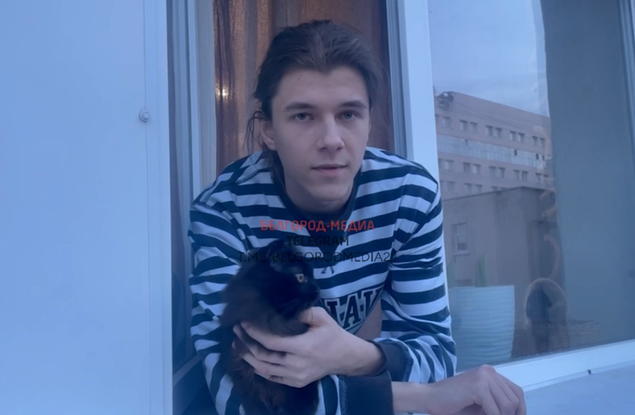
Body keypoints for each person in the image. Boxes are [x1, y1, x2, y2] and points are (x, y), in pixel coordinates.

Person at [188, 19, 526, 415]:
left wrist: (355, 356)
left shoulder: (406, 197)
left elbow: (434, 350)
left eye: (348, 114)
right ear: (268, 131)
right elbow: (245, 400)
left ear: (368, 121)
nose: (331, 140)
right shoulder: (225, 212)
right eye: (303, 116)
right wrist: (423, 398)